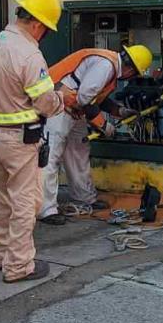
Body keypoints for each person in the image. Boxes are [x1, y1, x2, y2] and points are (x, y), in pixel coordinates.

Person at [0, 0, 65, 282]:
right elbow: (45, 102)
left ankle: (1, 256)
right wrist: (61, 99)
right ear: (38, 24)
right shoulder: (29, 53)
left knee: (0, 197)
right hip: (20, 138)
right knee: (26, 201)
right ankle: (18, 266)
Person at [38, 44, 153, 224]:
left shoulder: (110, 65)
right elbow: (85, 97)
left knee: (79, 152)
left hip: (73, 108)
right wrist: (103, 125)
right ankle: (46, 210)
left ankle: (85, 197)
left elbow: (97, 97)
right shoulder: (106, 65)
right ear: (131, 70)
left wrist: (119, 111)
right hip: (58, 105)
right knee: (51, 157)